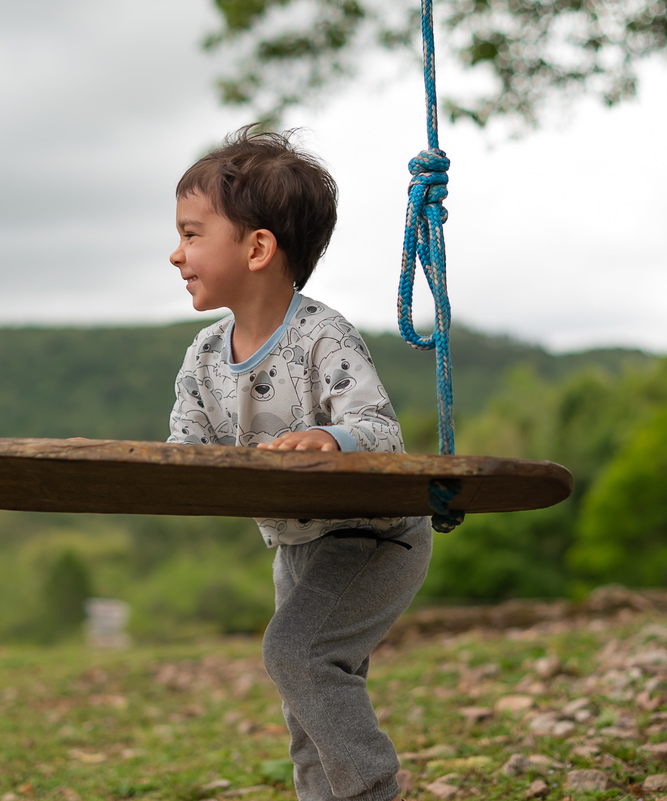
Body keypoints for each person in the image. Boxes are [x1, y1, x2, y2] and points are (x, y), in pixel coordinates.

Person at [166, 126, 432, 801]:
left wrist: (333, 440)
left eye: (192, 234)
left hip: (376, 533)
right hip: (296, 543)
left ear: (257, 247)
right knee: (307, 693)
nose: (176, 253)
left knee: (298, 655)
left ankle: (372, 790)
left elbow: (378, 431)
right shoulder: (203, 357)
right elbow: (184, 449)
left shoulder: (323, 338)